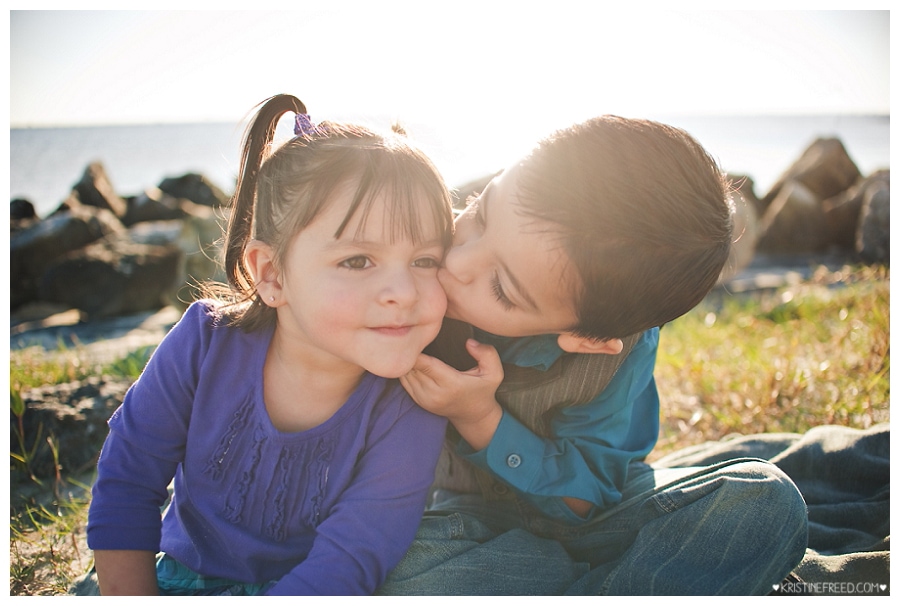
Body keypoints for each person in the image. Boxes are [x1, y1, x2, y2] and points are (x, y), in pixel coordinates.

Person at [378, 116, 809, 595]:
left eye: (502, 288)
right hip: (465, 522)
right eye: (480, 212)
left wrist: (478, 416)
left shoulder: (615, 358)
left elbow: (585, 500)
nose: (457, 263)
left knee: (761, 500)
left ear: (587, 338)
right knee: (388, 567)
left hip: (601, 521)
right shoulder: (415, 279)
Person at [81, 94, 454, 595]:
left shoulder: (411, 401)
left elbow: (352, 558)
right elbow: (127, 484)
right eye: (358, 261)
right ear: (272, 273)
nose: (403, 293)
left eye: (426, 260)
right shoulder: (204, 345)